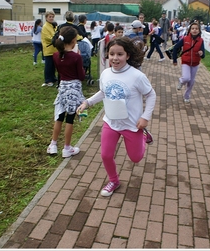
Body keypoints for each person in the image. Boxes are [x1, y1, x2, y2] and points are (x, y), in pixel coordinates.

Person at [76, 37, 156, 197]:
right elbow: (104, 92)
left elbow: (151, 94)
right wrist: (87, 102)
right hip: (111, 122)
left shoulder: (136, 76)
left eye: (120, 54)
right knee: (105, 155)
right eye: (112, 54)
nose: (115, 58)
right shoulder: (106, 74)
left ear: (127, 55)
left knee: (136, 158)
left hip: (132, 124)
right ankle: (114, 181)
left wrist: (145, 117)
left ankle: (143, 136)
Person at [47, 26, 86, 158]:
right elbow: (81, 76)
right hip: (73, 89)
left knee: (59, 116)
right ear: (74, 40)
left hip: (62, 88)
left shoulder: (56, 55)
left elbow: (59, 73)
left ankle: (53, 145)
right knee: (70, 119)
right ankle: (67, 148)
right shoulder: (76, 57)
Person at [172, 22, 205, 104]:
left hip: (195, 63)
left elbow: (203, 54)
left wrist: (201, 53)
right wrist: (174, 60)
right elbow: (175, 48)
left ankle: (187, 96)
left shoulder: (201, 41)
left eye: (196, 29)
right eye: (193, 28)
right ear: (189, 30)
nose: (194, 30)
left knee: (191, 82)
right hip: (185, 62)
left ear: (199, 31)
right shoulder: (185, 39)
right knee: (186, 78)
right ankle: (181, 81)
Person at [41, 11, 58, 87]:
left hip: (55, 49)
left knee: (53, 65)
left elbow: (56, 33)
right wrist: (55, 39)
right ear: (46, 18)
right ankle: (48, 80)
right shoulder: (45, 27)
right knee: (48, 65)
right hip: (48, 49)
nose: (51, 18)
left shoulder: (53, 25)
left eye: (52, 17)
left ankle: (53, 77)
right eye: (50, 17)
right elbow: (47, 37)